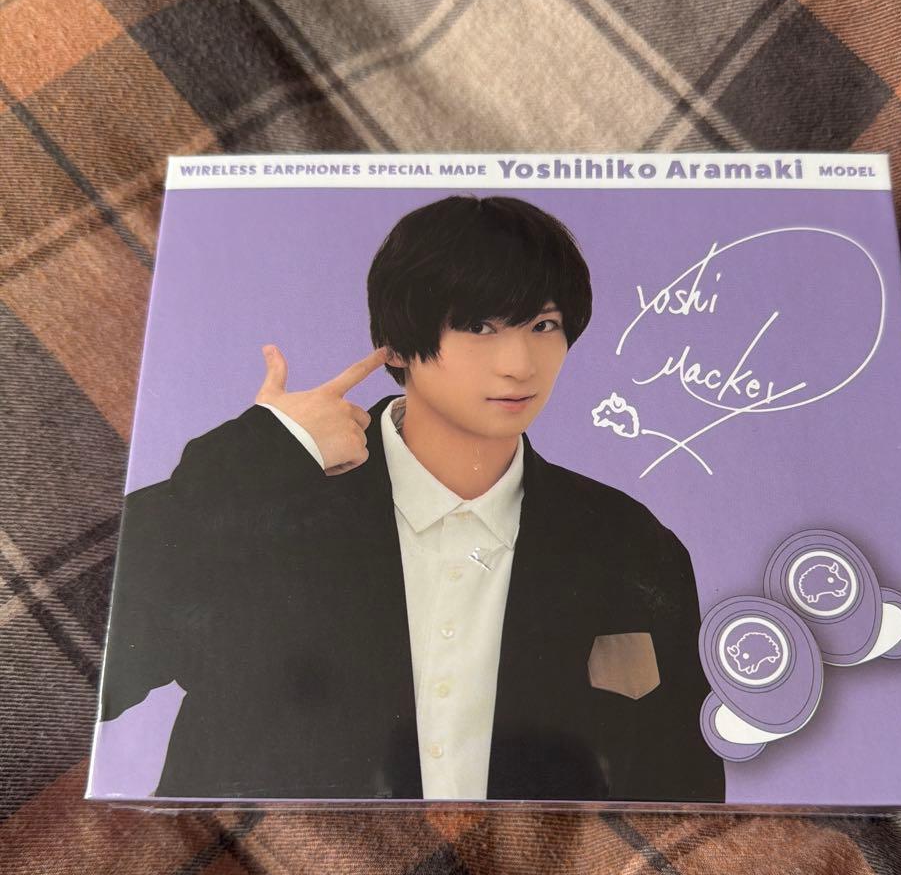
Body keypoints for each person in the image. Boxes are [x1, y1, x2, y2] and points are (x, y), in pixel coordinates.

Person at [98, 195, 725, 803]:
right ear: (396, 346)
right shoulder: (271, 496)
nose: (520, 364)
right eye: (478, 326)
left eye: (544, 326)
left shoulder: (627, 541)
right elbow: (95, 671)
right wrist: (261, 455)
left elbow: (681, 790)